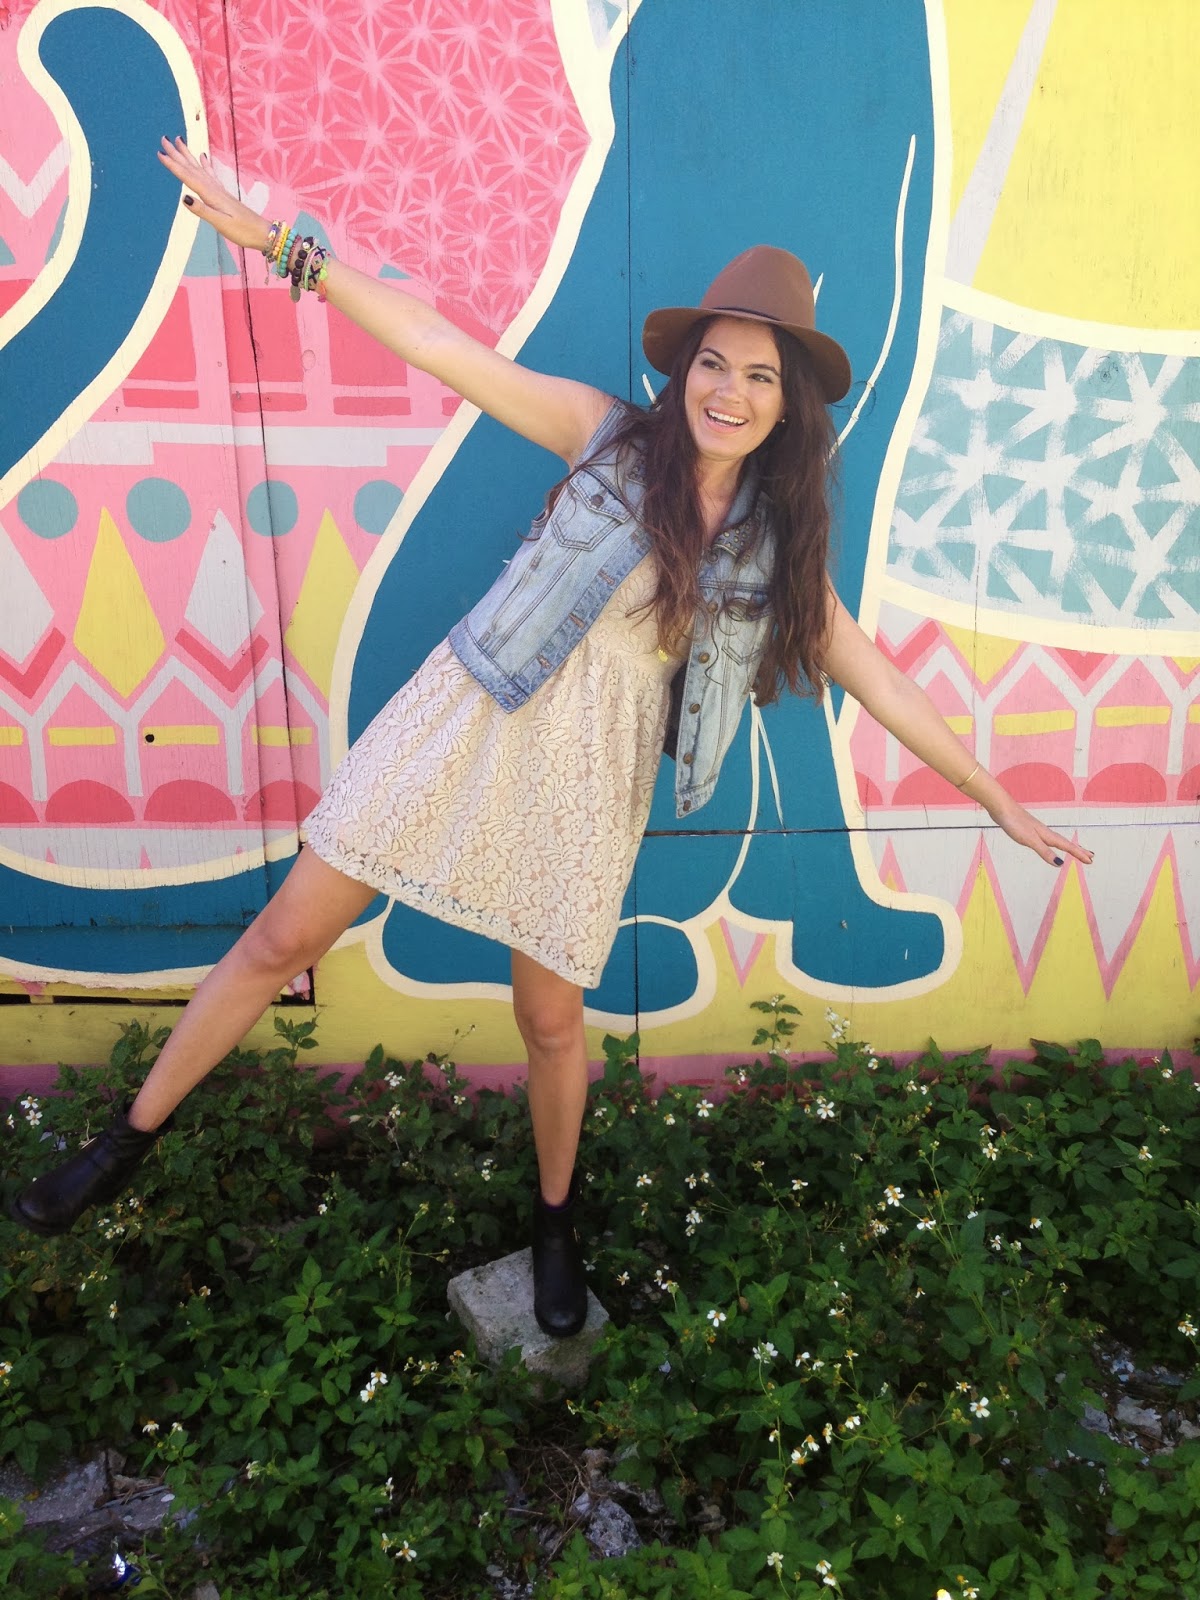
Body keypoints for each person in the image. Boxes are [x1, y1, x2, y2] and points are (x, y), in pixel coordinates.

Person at [9, 138, 1093, 1338]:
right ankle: (120, 1146)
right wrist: (280, 244)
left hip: (588, 775)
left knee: (550, 1022)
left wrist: (994, 791)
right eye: (714, 363)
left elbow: (877, 675)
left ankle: (555, 1223)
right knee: (282, 936)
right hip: (467, 712)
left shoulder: (776, 547)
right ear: (684, 369)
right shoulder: (600, 432)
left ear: (789, 406)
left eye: (760, 377)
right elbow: (439, 346)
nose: (729, 391)